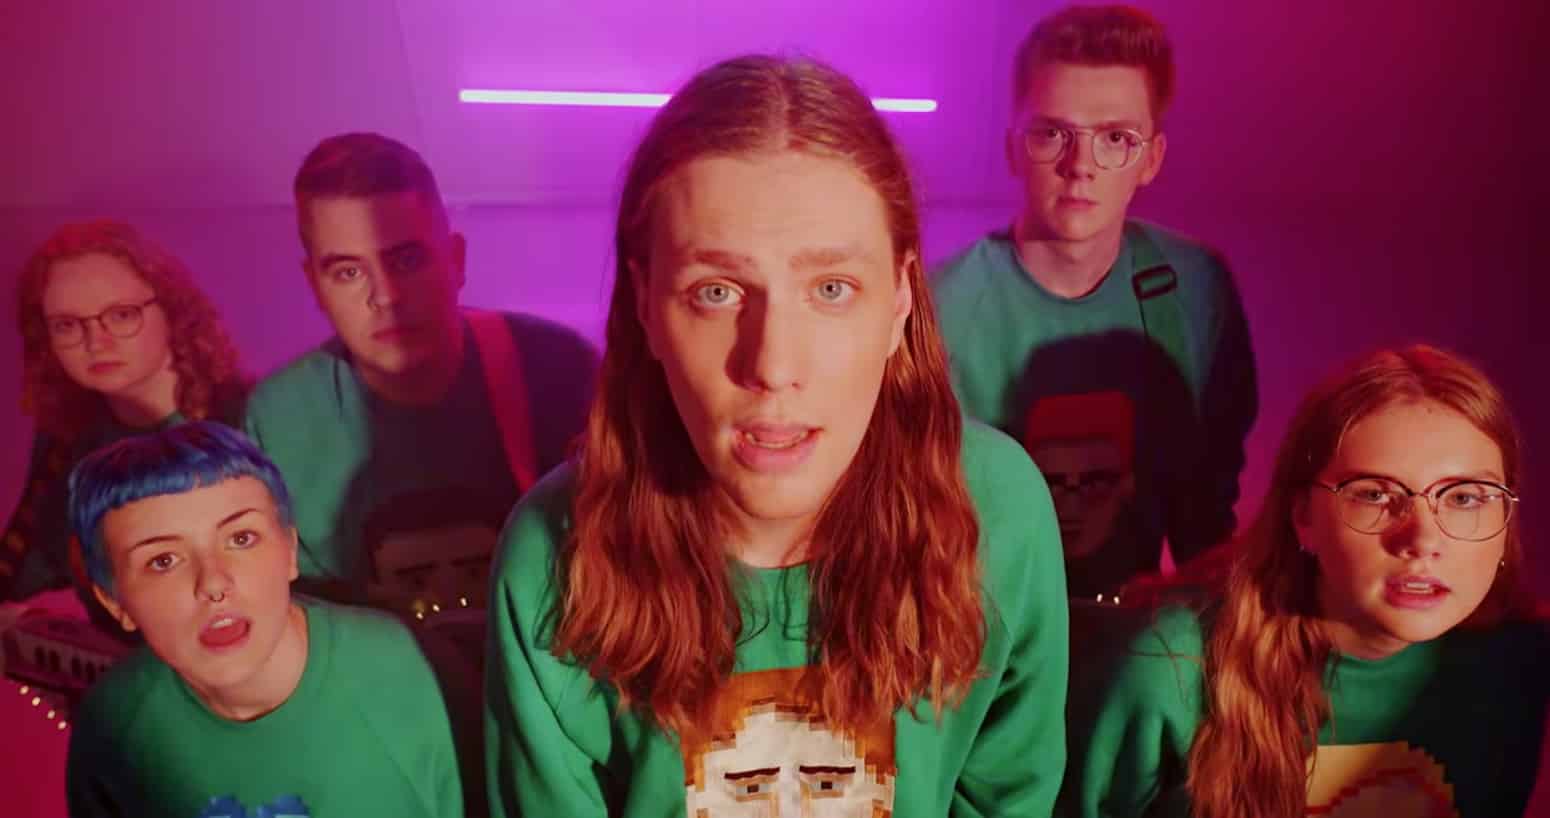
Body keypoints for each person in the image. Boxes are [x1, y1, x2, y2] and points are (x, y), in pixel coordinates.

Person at [485, 54, 1069, 817]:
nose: (772, 365)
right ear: (646, 304)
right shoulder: (550, 556)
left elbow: (1008, 797)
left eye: (831, 288)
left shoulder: (998, 510)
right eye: (716, 291)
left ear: (900, 299)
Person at [1060, 345, 1548, 818]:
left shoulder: (1517, 663)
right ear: (1303, 517)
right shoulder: (1171, 670)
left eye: (1465, 498)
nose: (1421, 540)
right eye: (1375, 494)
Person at [931, 4, 1257, 597]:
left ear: (1151, 158)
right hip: (979, 625)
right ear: (1012, 148)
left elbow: (1207, 515)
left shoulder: (1194, 288)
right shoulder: (941, 307)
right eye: (1053, 133)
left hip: (1138, 624)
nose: (1081, 166)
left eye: (1115, 138)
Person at [243, 132, 597, 611]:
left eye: (406, 260)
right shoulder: (277, 420)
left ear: (456, 260)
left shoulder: (559, 367)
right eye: (348, 272)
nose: (385, 296)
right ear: (314, 285)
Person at [64, 421, 464, 817]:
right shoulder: (114, 725)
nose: (213, 583)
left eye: (241, 539)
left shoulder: (414, 674)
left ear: (289, 551)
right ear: (114, 601)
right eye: (163, 561)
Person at [2, 219, 248, 611]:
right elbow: (29, 575)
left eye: (121, 315)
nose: (96, 341)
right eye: (67, 325)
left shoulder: (247, 420)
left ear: (172, 311)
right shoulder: (65, 439)